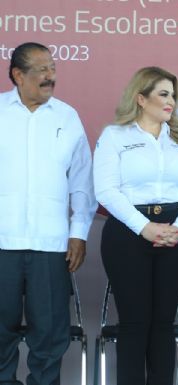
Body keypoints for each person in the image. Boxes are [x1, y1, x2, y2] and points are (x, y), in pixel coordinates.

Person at [93, 66, 178, 385]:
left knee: (163, 324)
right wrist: (145, 227)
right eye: (163, 94)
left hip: (177, 237)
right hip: (128, 236)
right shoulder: (115, 136)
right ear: (140, 98)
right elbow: (106, 190)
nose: (171, 101)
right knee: (134, 322)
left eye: (173, 95)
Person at [0, 41, 97, 385]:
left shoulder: (67, 117)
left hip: (52, 246)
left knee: (50, 336)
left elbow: (83, 180)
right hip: (2, 244)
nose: (50, 76)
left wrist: (79, 232)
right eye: (41, 70)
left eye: (52, 68)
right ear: (17, 75)